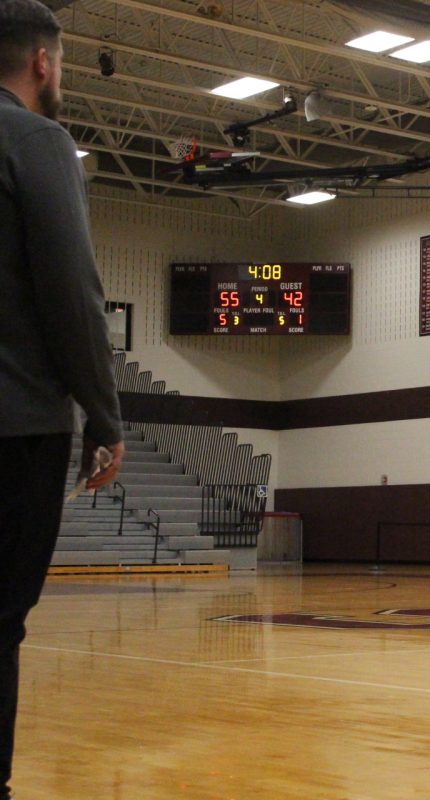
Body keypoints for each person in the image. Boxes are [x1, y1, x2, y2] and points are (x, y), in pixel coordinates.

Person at [0, 3, 125, 797]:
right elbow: (71, 291)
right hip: (14, 427)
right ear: (44, 62)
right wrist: (104, 414)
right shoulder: (37, 142)